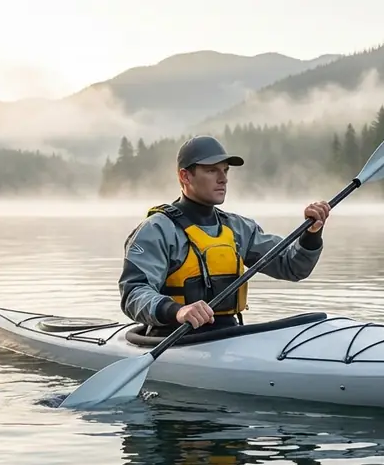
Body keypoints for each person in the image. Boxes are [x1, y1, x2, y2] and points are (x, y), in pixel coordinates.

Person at [119, 135, 332, 336]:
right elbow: (134, 293)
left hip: (229, 337)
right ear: (185, 176)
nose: (223, 179)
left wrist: (311, 234)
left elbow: (292, 267)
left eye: (226, 170)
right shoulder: (157, 230)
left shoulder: (239, 228)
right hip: (172, 339)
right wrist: (178, 311)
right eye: (212, 171)